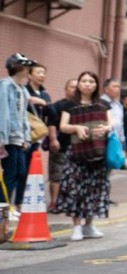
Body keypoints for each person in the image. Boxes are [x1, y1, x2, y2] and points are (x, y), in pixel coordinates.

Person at [55, 71, 112, 241]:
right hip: (77, 154)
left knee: (95, 189)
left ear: (96, 85)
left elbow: (111, 123)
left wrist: (106, 128)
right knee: (76, 189)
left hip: (97, 153)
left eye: (91, 81)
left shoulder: (102, 104)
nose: (87, 84)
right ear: (79, 84)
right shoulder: (70, 105)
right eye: (84, 81)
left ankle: (89, 225)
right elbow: (63, 126)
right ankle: (77, 226)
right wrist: (76, 128)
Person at [0, 53, 33, 217]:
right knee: (10, 173)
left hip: (18, 138)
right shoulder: (5, 86)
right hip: (8, 138)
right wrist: (2, 139)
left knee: (20, 172)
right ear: (16, 67)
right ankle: (4, 210)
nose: (27, 70)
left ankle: (8, 207)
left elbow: (23, 116)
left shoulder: (22, 89)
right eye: (24, 66)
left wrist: (26, 137)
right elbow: (3, 113)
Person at [46, 78, 77, 212]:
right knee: (56, 176)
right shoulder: (58, 106)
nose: (74, 89)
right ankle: (54, 203)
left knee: (74, 177)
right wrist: (53, 139)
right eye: (71, 87)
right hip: (61, 146)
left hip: (78, 148)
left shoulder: (84, 106)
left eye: (77, 87)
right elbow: (51, 123)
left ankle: (70, 203)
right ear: (66, 89)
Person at [101, 78, 125, 148]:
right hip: (103, 141)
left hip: (116, 141)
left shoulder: (119, 105)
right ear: (106, 89)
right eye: (114, 86)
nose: (117, 89)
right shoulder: (100, 103)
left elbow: (121, 124)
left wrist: (122, 140)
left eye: (118, 87)